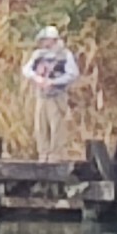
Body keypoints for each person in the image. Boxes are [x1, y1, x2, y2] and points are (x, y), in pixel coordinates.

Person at [21, 24, 80, 161]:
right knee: (40, 126)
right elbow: (26, 69)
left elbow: (73, 74)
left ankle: (55, 156)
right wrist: (37, 78)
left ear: (52, 39)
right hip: (41, 96)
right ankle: (43, 154)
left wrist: (54, 82)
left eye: (45, 39)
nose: (42, 42)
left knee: (56, 126)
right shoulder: (38, 55)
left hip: (57, 96)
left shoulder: (65, 55)